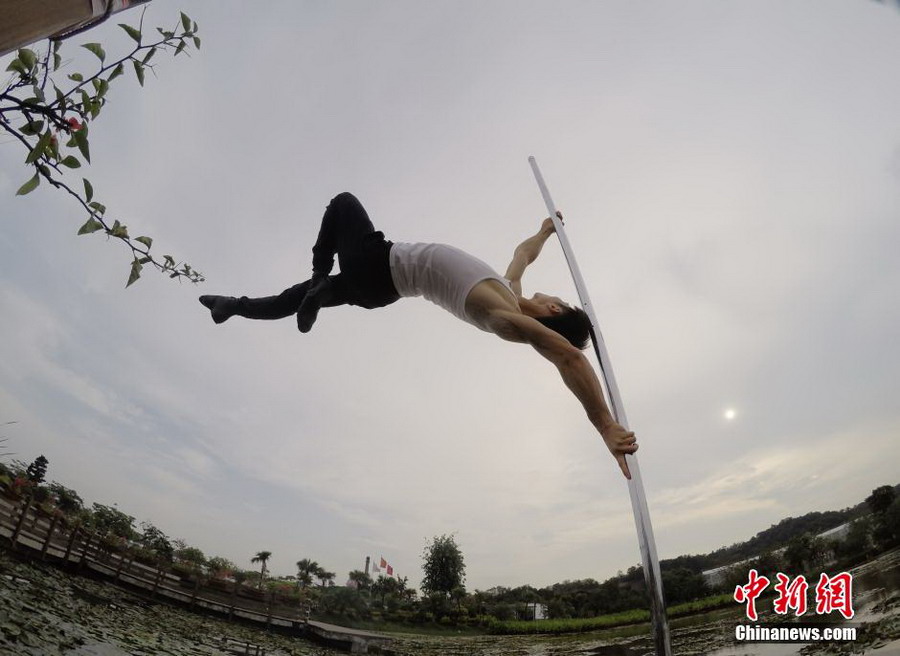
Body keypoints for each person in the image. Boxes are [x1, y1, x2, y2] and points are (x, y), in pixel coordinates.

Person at [200, 192, 638, 478]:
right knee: (288, 299)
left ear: (554, 310)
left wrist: (603, 423)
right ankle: (232, 306)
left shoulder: (504, 315)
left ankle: (318, 278)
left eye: (556, 298)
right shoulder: (510, 291)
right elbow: (523, 254)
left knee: (342, 204)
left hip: (379, 264)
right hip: (379, 289)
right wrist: (545, 231)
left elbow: (567, 357)